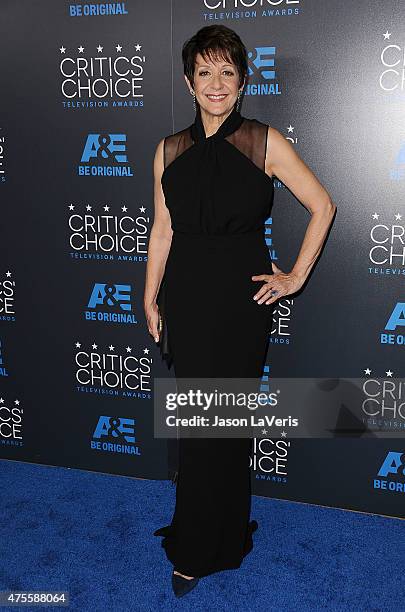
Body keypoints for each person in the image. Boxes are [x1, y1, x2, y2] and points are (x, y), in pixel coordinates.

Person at [144, 24, 336, 597]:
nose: (216, 82)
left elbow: (323, 205)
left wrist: (295, 277)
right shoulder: (169, 149)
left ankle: (203, 546)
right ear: (188, 81)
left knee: (221, 424)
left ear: (243, 80)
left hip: (239, 303)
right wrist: (148, 295)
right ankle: (207, 529)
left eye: (227, 71)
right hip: (186, 298)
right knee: (199, 423)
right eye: (205, 71)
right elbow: (162, 231)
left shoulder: (263, 141)